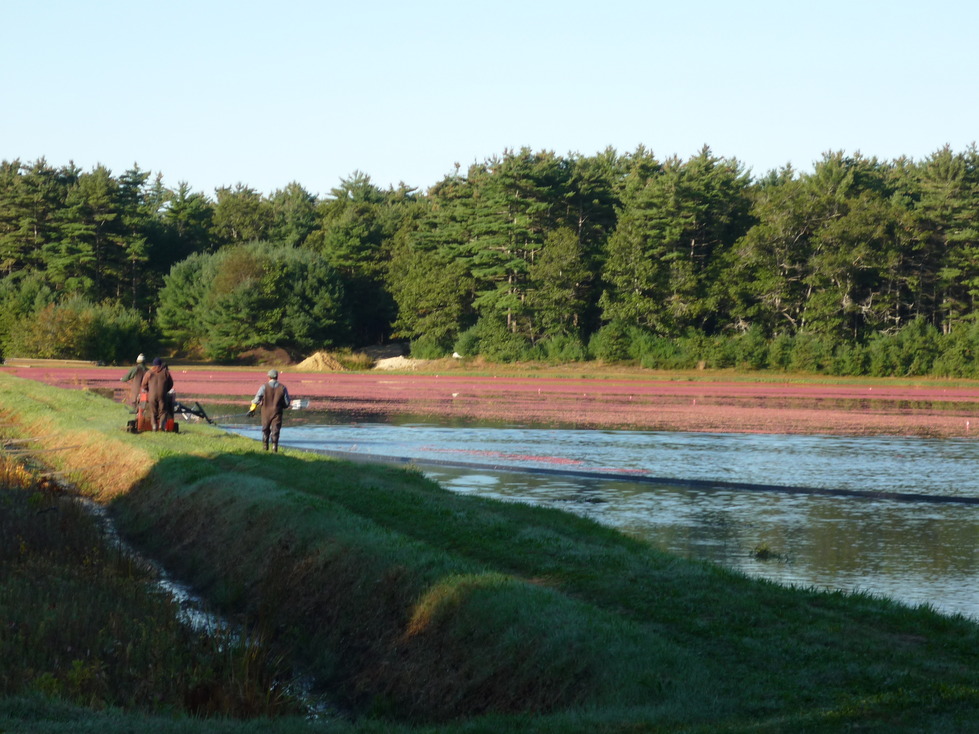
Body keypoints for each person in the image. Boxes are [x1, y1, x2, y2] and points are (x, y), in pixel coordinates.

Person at [249, 369, 290, 452]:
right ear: (277, 377)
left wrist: (252, 409)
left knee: (265, 430)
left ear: (268, 377)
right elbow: (287, 403)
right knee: (275, 430)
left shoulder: (264, 387)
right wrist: (283, 405)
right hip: (277, 412)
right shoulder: (283, 387)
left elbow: (257, 400)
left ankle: (265, 448)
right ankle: (275, 449)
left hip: (265, 412)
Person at [140, 357, 174, 431]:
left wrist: (148, 390)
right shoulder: (165, 372)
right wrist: (165, 390)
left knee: (153, 411)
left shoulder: (149, 373)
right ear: (161, 364)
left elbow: (143, 384)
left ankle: (154, 425)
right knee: (163, 411)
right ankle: (161, 424)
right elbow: (171, 384)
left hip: (152, 395)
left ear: (153, 364)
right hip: (162, 395)